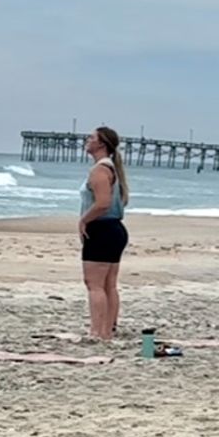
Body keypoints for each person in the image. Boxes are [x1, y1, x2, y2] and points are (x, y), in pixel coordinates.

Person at [78, 126, 130, 341]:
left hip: (103, 229)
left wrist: (84, 220)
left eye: (91, 138)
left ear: (101, 143)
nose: (87, 141)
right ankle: (108, 330)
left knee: (95, 284)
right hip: (114, 230)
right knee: (109, 284)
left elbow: (103, 203)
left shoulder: (100, 170)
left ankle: (98, 331)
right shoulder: (112, 169)